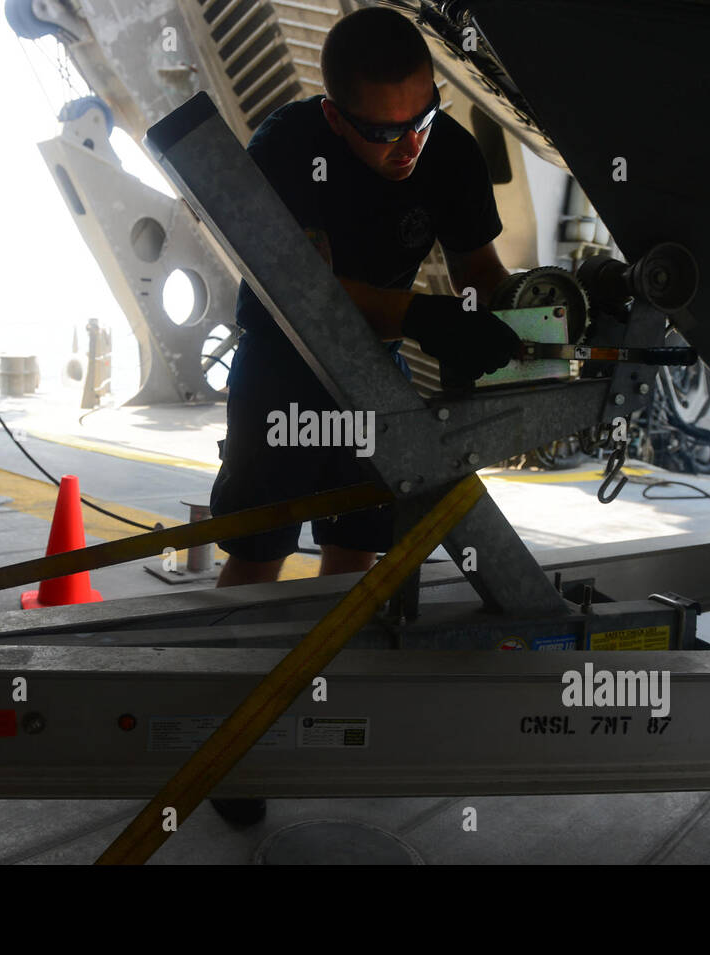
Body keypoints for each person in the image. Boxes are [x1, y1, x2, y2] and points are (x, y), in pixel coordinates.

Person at [205, 7, 519, 825]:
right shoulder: (282, 149)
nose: (408, 145)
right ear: (338, 117)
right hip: (282, 368)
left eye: (423, 119)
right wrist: (423, 316)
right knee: (257, 550)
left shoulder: (444, 150)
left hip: (372, 376)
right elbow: (305, 300)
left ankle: (320, 725)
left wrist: (520, 320)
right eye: (386, 133)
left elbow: (482, 270)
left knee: (357, 554)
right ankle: (232, 741)